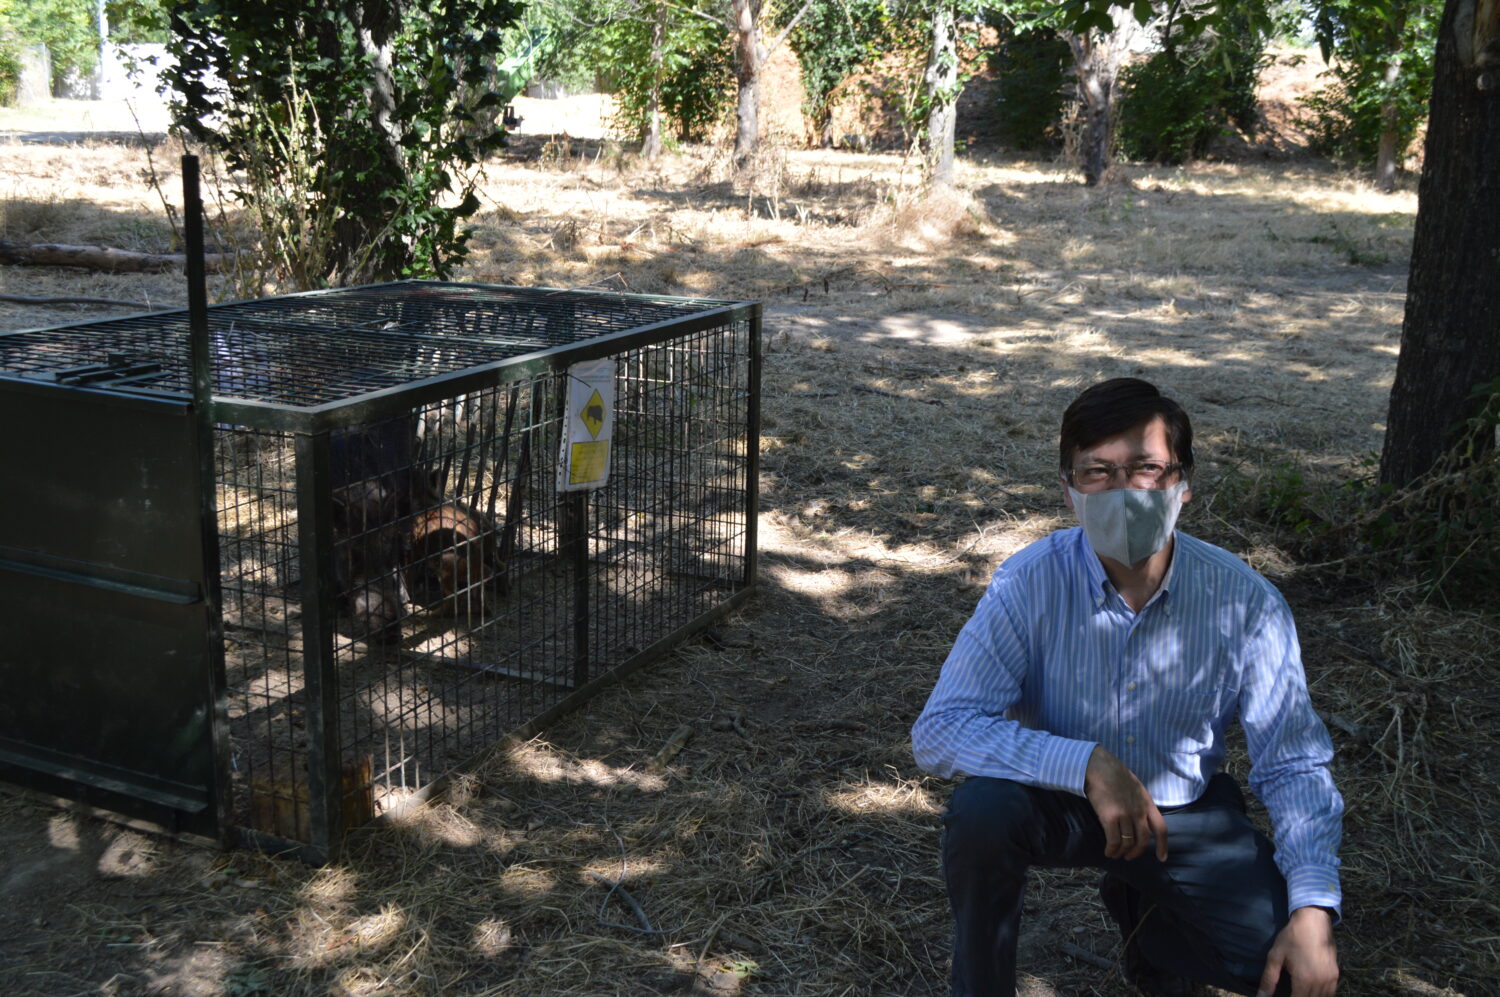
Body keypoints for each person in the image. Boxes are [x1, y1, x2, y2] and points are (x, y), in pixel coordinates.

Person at [911, 378, 1342, 997]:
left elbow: (1294, 762)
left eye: (1146, 469)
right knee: (982, 813)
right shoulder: (1028, 583)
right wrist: (1086, 763)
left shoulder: (1246, 600)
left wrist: (1313, 908)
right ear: (1068, 490)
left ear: (1183, 483)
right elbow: (941, 729)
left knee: (1281, 968)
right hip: (1056, 802)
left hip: (1182, 812)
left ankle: (1150, 925)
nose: (1123, 492)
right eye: (1097, 472)